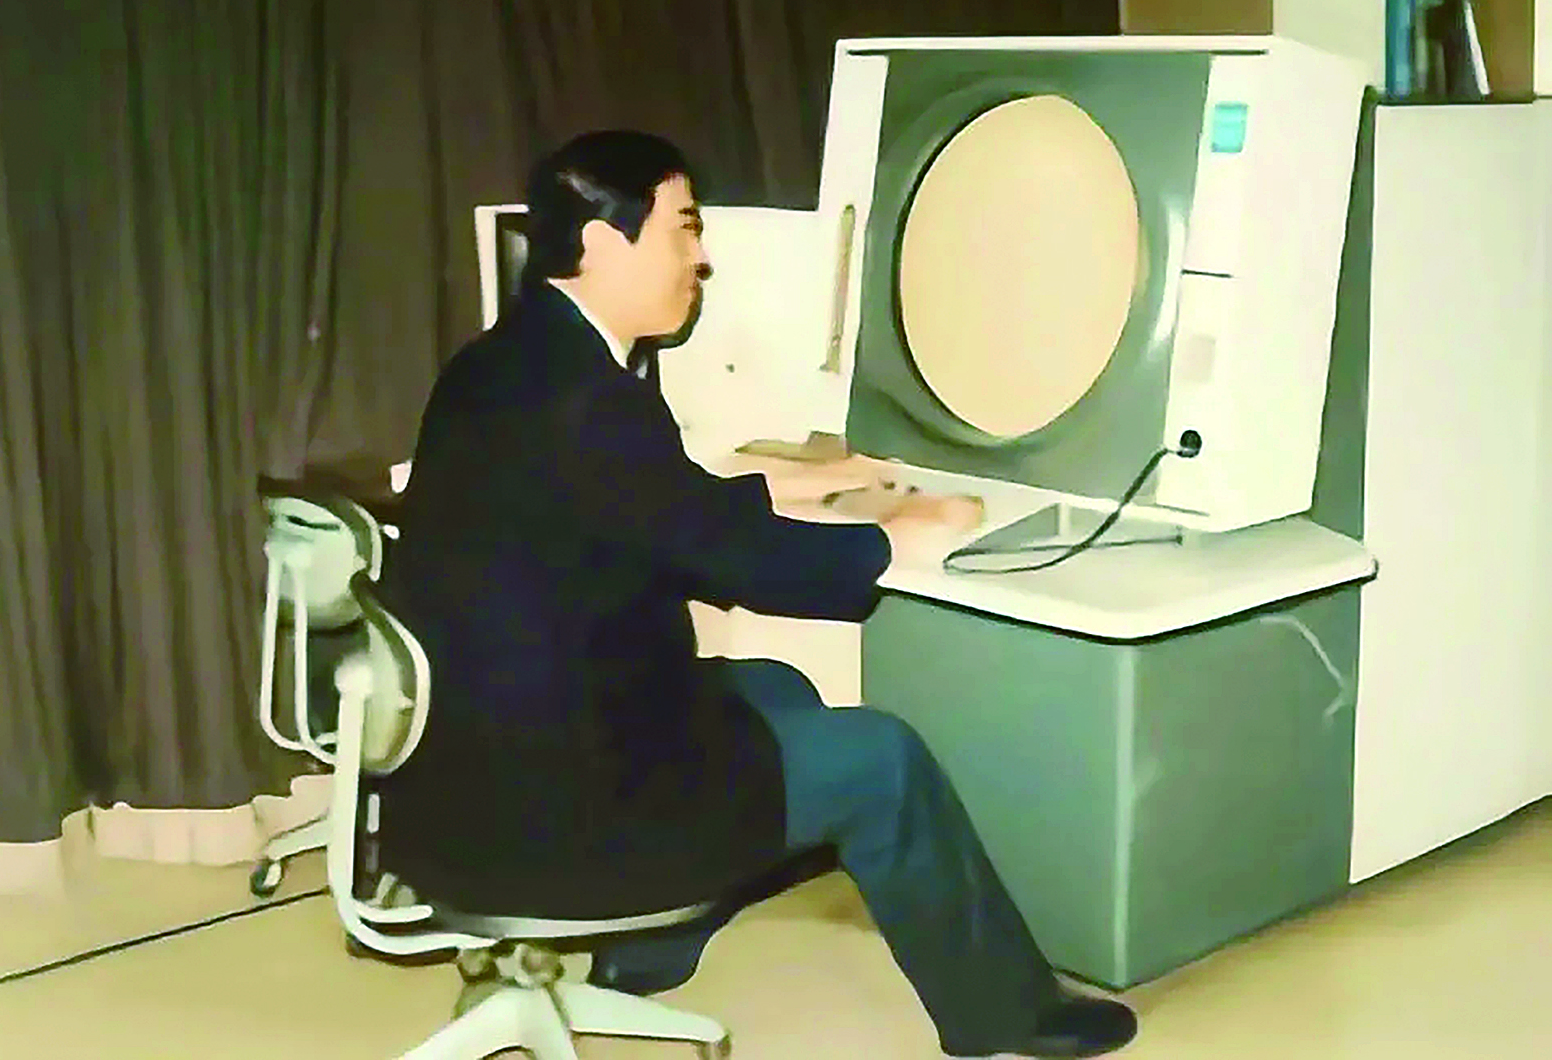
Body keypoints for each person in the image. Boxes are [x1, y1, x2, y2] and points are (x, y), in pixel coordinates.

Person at [375, 130, 1139, 1059]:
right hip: (563, 809)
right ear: (605, 242)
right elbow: (740, 560)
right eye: (683, 227)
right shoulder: (594, 399)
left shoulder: (505, 363)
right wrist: (898, 535)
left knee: (772, 684)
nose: (699, 256)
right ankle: (1008, 1019)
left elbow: (646, 509)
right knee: (882, 757)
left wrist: (805, 484)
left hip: (460, 783)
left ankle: (645, 950)